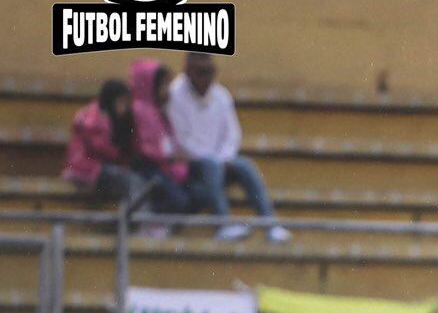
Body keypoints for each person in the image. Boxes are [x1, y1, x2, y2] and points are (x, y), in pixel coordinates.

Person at [166, 53, 289, 243]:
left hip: (220, 161)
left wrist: (223, 158)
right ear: (188, 72)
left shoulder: (221, 95)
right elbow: (180, 139)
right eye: (201, 72)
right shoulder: (175, 95)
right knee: (211, 166)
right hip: (191, 165)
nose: (206, 78)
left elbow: (232, 134)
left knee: (245, 166)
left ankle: (270, 225)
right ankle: (223, 225)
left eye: (210, 72)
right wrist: (211, 159)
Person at [61, 79, 156, 210]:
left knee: (142, 178)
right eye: (122, 102)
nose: (126, 106)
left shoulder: (120, 119)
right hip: (86, 168)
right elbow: (103, 148)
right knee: (132, 181)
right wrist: (124, 155)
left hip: (104, 167)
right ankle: (142, 222)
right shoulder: (92, 119)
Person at [128, 58, 194, 220]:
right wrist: (170, 156)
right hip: (147, 167)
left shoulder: (158, 111)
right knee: (178, 199)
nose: (168, 91)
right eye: (163, 85)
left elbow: (168, 139)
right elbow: (143, 146)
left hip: (164, 165)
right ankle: (152, 221)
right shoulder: (138, 111)